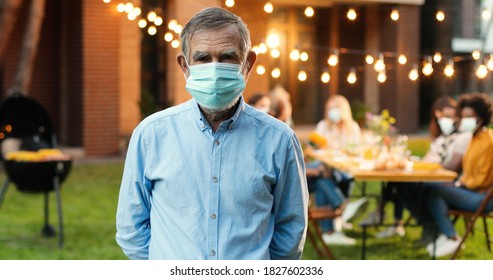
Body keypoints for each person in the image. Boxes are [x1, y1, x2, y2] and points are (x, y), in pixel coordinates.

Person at [115, 7, 308, 260]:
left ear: (247, 64)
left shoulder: (280, 140)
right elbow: (131, 228)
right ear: (185, 66)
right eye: (203, 58)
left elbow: (291, 228)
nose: (215, 70)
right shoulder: (151, 135)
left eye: (227, 57)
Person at [377, 96, 472, 240]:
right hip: (432, 174)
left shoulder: (462, 137)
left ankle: (390, 215)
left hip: (446, 181)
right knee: (397, 180)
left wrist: (431, 166)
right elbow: (431, 157)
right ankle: (394, 217)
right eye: (443, 116)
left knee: (401, 183)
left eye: (451, 116)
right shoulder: (442, 137)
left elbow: (451, 167)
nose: (447, 120)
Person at [423, 93, 493, 257]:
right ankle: (447, 235)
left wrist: (459, 184)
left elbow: (480, 179)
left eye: (469, 117)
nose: (464, 121)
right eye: (463, 117)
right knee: (433, 192)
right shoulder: (473, 139)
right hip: (470, 191)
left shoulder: (488, 141)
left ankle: (449, 237)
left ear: (481, 118)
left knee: (432, 188)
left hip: (483, 198)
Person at [308, 95, 368, 245]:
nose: (332, 111)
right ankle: (343, 207)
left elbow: (357, 150)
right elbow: (314, 147)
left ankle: (329, 230)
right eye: (330, 108)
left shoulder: (352, 127)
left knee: (323, 178)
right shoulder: (323, 125)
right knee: (323, 176)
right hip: (323, 167)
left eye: (336, 108)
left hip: (342, 170)